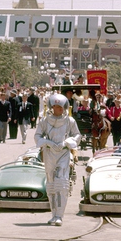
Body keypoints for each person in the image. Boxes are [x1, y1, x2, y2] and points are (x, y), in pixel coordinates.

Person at [34, 93, 81, 226]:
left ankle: (60, 215)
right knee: (51, 185)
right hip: (49, 154)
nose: (57, 109)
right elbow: (37, 136)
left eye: (60, 107)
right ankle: (53, 214)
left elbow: (77, 135)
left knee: (61, 183)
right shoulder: (44, 121)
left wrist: (67, 142)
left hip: (63, 154)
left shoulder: (69, 121)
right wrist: (47, 142)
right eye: (55, 106)